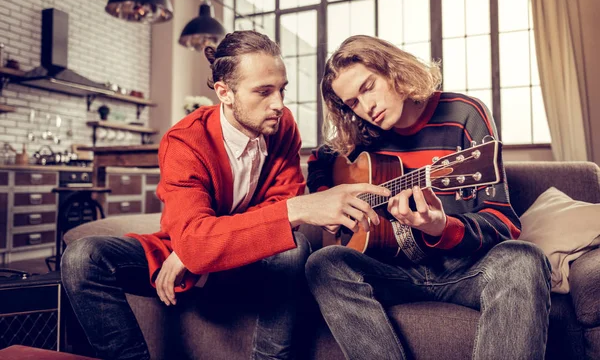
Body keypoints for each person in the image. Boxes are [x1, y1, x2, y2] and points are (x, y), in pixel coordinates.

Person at [61, 30, 389, 360]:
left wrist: (198, 247)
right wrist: (190, 247)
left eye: (280, 90)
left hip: (248, 259)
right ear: (225, 93)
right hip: (190, 251)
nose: (278, 104)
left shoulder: (283, 126)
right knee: (82, 257)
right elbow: (213, 233)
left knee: (293, 249)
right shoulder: (185, 142)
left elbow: (274, 217)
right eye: (263, 92)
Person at [305, 35, 552, 360]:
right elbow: (318, 161)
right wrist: (331, 201)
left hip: (466, 271)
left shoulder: (464, 114)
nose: (367, 108)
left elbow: (504, 223)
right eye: (353, 103)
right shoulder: (363, 134)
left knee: (524, 259)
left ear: (392, 70)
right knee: (322, 263)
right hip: (393, 272)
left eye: (368, 87)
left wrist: (441, 226)